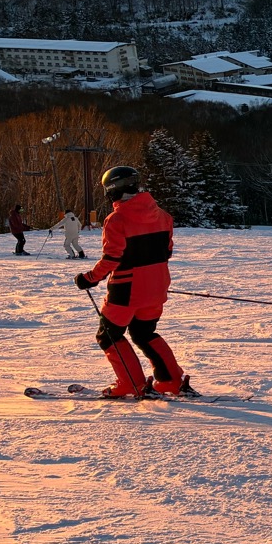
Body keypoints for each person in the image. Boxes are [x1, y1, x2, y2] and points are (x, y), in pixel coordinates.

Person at [74, 165, 191, 398]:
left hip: (126, 291)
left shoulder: (116, 219)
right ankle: (171, 380)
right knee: (144, 333)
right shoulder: (162, 215)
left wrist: (89, 278)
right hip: (157, 286)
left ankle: (130, 383)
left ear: (112, 191)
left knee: (108, 335)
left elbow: (112, 259)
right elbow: (166, 251)